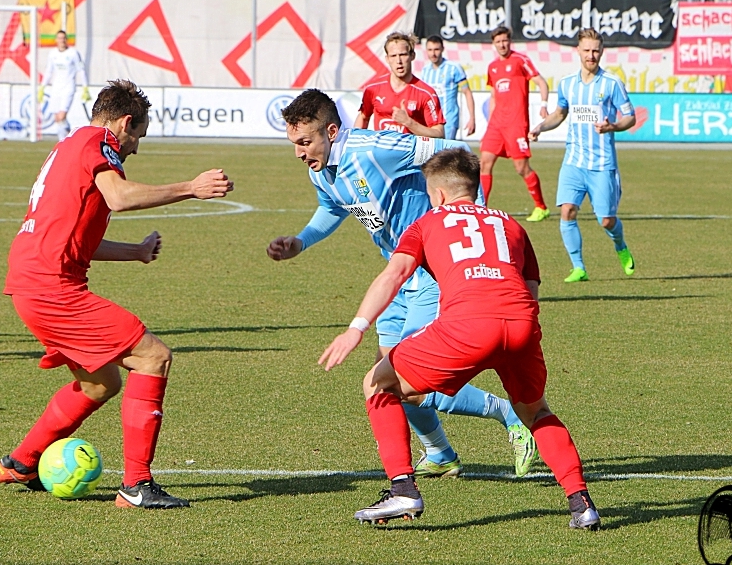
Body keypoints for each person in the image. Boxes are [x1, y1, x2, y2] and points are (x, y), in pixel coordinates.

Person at [319, 147, 600, 530]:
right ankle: (581, 503)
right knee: (536, 412)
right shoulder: (511, 225)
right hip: (520, 324)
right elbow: (531, 287)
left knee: (377, 382)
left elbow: (394, 275)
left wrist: (357, 327)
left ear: (436, 195)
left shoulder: (428, 221)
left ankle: (403, 487)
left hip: (467, 325)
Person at [269, 89, 538, 478]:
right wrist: (301, 241)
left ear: (330, 131)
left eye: (305, 142)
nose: (298, 152)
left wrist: (457, 215)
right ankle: (441, 454)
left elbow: (455, 147)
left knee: (415, 379)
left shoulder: (376, 148)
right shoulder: (321, 171)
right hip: (395, 274)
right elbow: (331, 209)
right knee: (388, 375)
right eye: (293, 143)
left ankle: (509, 414)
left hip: (430, 272)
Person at [0, 80, 234, 508]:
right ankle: (137, 486)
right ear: (124, 123)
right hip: (51, 287)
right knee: (153, 356)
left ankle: (22, 461)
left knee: (100, 383)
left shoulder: (70, 146)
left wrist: (136, 253)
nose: (135, 147)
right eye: (137, 135)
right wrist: (190, 187)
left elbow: (74, 238)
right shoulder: (98, 141)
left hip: (31, 281)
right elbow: (119, 198)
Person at [529, 29, 636, 283]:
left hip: (602, 164)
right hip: (573, 161)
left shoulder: (612, 83)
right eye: (587, 50)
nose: (592, 55)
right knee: (567, 211)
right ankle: (578, 267)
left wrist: (613, 126)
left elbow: (630, 116)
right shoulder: (567, 84)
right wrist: (541, 127)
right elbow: (559, 114)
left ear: (602, 52)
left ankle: (620, 245)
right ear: (578, 51)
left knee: (607, 221)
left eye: (596, 50)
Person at [480, 26, 550, 222]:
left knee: (521, 167)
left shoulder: (521, 61)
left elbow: (541, 82)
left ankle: (541, 207)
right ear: (493, 44)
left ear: (510, 42)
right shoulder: (492, 67)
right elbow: (494, 96)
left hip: (516, 124)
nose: (502, 44)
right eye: (498, 41)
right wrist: (489, 124)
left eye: (505, 41)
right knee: (484, 163)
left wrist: (544, 104)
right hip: (496, 125)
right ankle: (480, 208)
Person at [356, 33, 445, 138]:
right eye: (393, 56)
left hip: (411, 153)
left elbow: (439, 134)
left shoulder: (426, 93)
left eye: (403, 55)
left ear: (412, 56)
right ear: (387, 59)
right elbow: (363, 117)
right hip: (382, 153)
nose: (399, 61)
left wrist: (409, 122)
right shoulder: (373, 89)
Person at [421, 35, 475, 140]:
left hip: (448, 120)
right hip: (430, 121)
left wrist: (472, 118)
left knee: (445, 153)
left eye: (436, 49)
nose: (433, 53)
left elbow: (467, 92)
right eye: (430, 50)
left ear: (442, 49)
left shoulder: (454, 68)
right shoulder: (425, 70)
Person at [40, 30, 89, 142]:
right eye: (59, 38)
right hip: (56, 88)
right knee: (57, 118)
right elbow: (49, 71)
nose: (61, 40)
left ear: (66, 40)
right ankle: (67, 140)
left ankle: (64, 142)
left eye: (63, 38)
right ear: (56, 40)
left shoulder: (73, 53)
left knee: (61, 116)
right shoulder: (53, 53)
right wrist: (42, 87)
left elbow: (81, 70)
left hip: (68, 88)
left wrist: (85, 87)